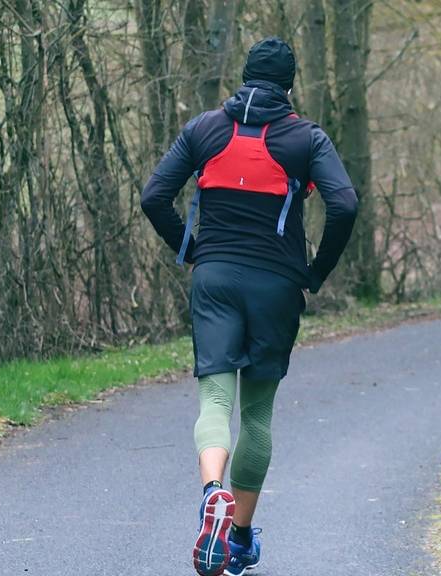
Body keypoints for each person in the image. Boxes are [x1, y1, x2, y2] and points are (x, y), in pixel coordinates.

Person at [139, 37, 358, 576]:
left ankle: (212, 491)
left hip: (213, 277)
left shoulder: (205, 128)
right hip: (277, 286)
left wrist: (190, 250)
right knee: (257, 414)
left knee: (214, 399)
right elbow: (345, 203)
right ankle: (237, 538)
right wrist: (316, 272)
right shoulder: (307, 137)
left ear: (243, 78)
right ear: (290, 85)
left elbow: (153, 196)